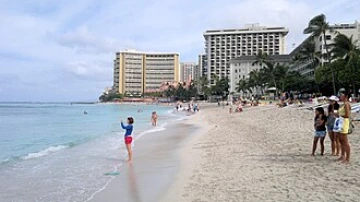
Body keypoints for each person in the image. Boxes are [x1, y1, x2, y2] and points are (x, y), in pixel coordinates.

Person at [335, 90, 351, 163]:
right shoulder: (343, 104)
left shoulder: (346, 104)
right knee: (341, 140)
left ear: (346, 96)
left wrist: (339, 115)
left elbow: (347, 115)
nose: (340, 96)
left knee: (345, 141)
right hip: (340, 123)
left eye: (341, 95)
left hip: (344, 123)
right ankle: (342, 155)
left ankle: (347, 158)